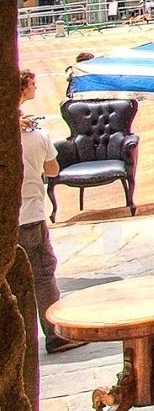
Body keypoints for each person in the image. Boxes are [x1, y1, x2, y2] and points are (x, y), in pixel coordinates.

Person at [18, 73, 72, 354]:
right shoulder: (36, 136)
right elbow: (52, 170)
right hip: (29, 214)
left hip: (19, 214)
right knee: (42, 273)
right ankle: (55, 334)